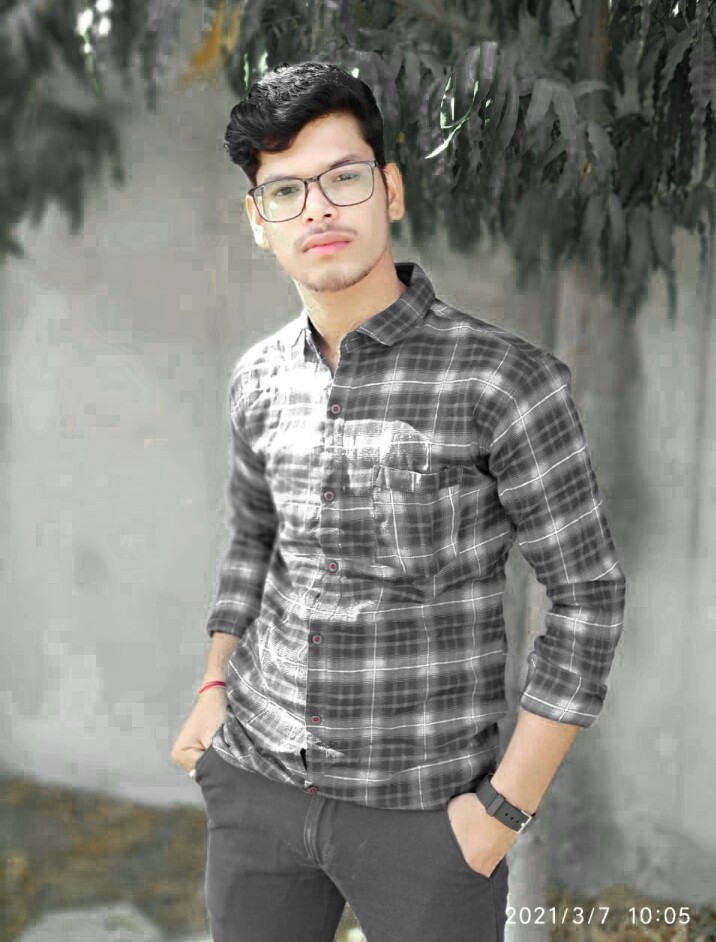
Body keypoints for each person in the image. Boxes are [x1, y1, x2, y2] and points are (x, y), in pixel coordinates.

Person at [170, 60, 627, 942]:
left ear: (390, 190)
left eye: (342, 178)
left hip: (427, 822)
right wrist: (213, 683)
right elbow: (253, 539)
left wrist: (501, 812)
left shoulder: (505, 381)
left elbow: (589, 598)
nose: (317, 210)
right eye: (285, 192)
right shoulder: (258, 378)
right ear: (258, 222)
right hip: (256, 793)